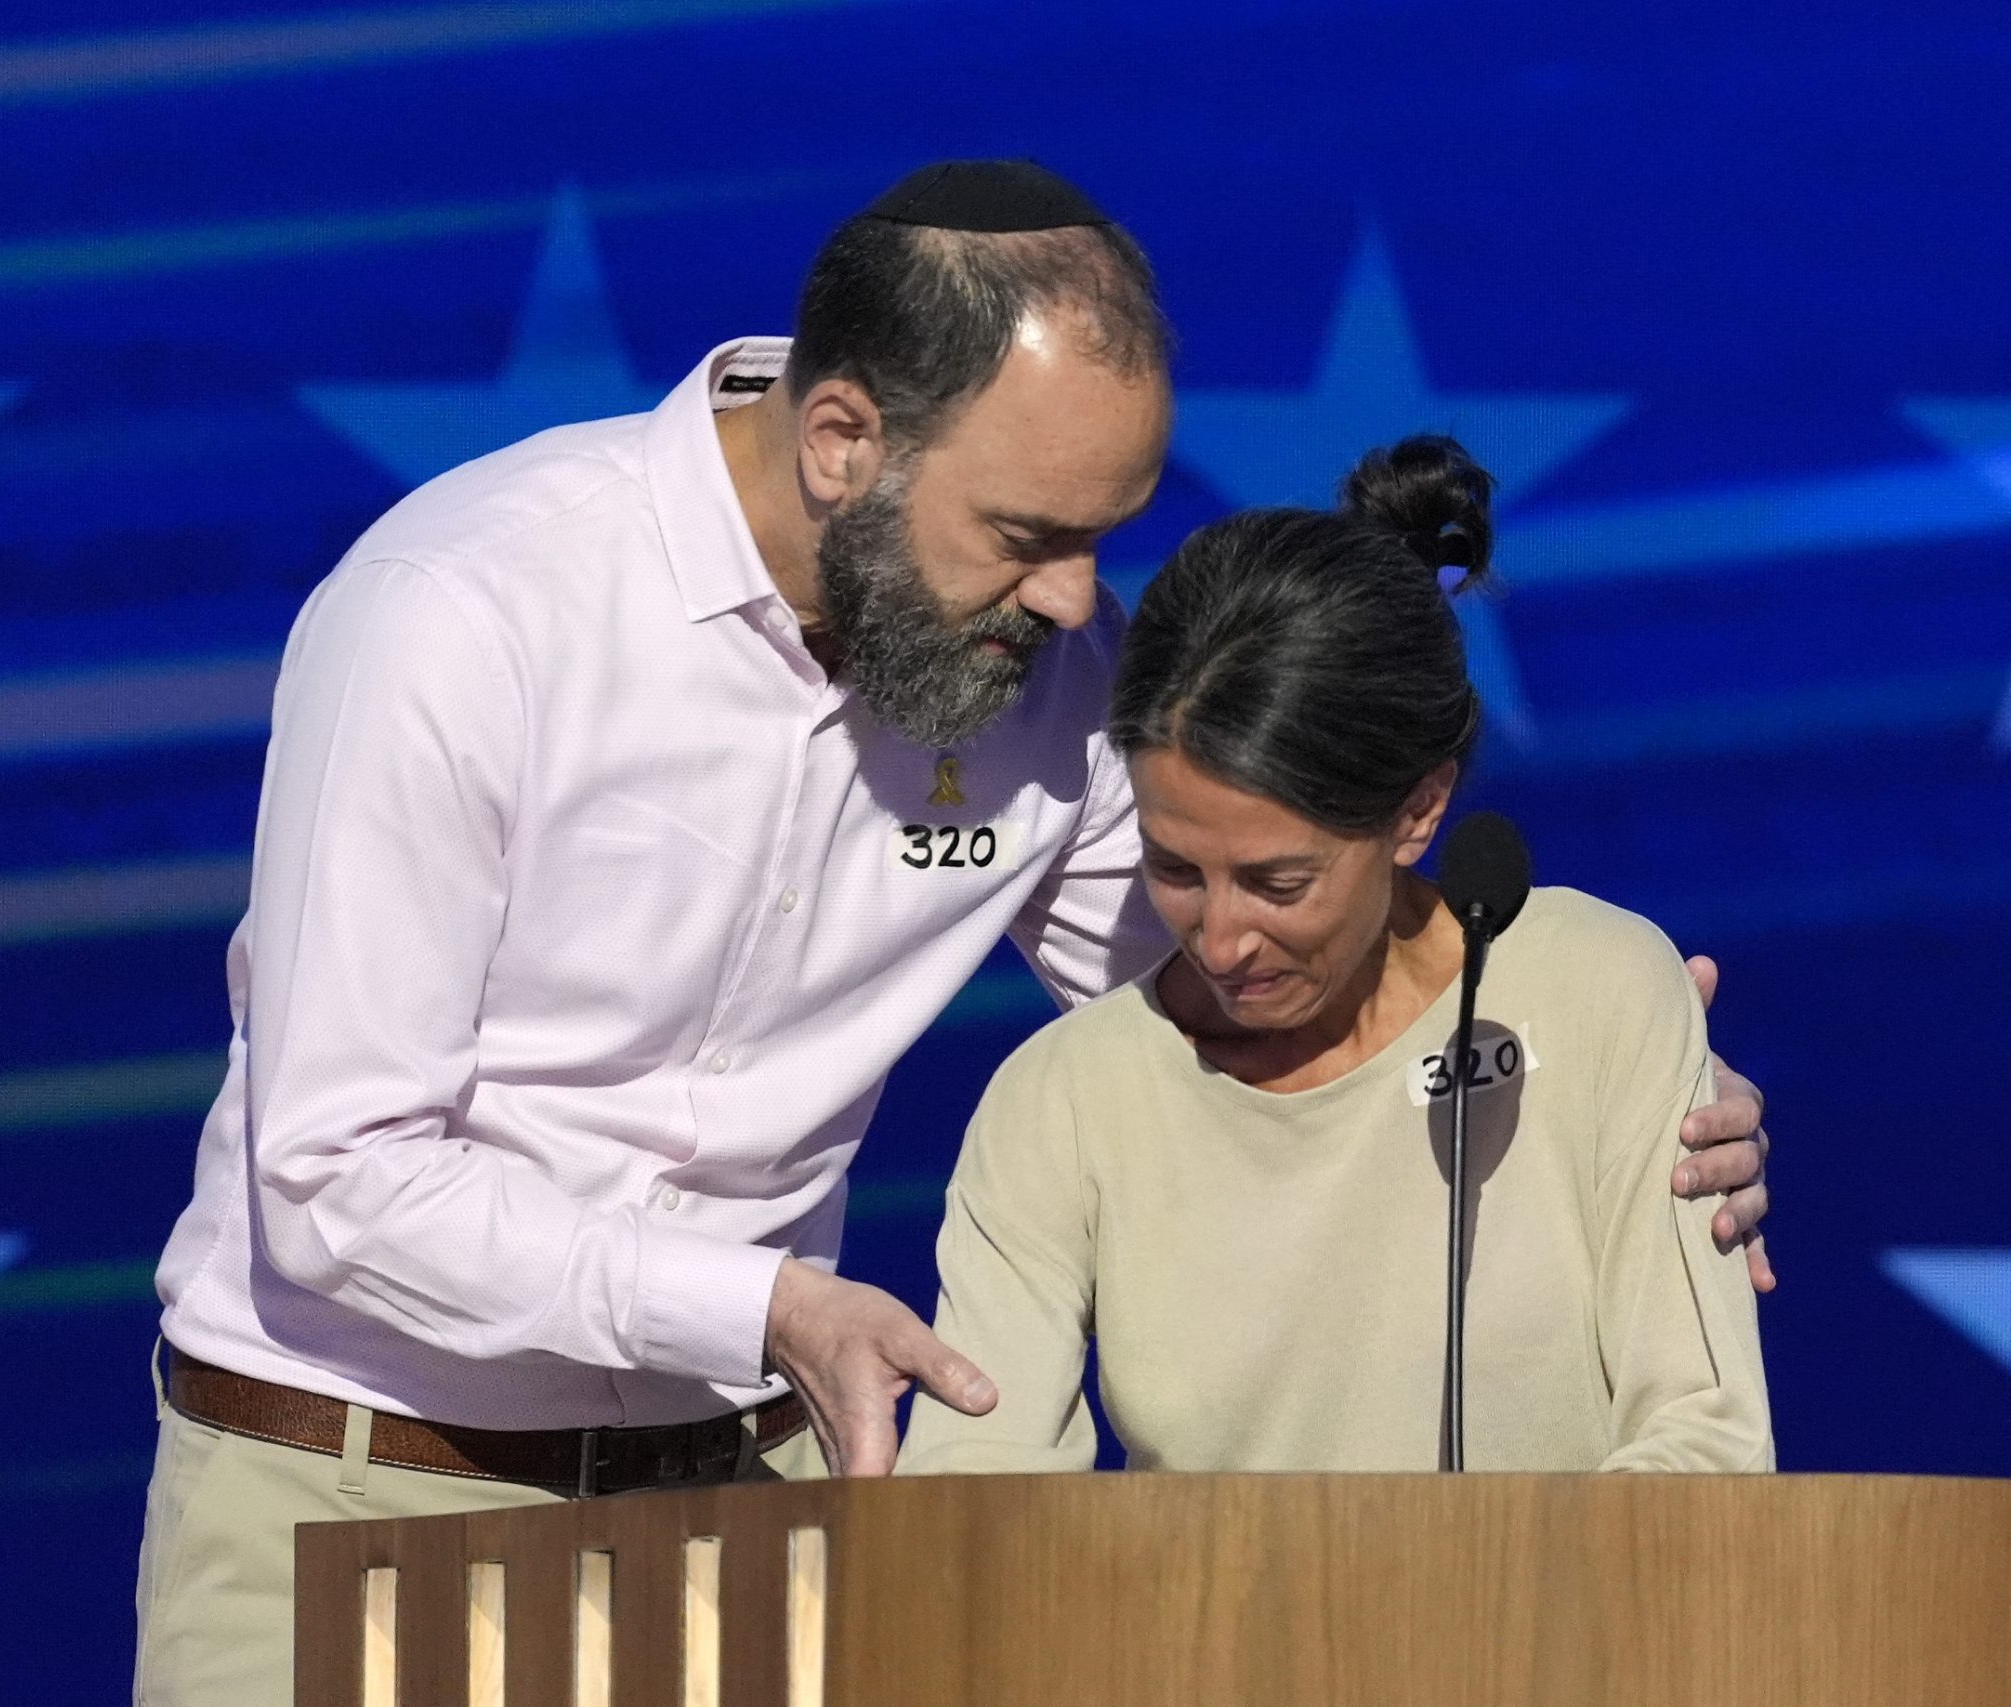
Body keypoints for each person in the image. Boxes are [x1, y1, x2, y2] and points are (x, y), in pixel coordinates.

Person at [133, 163, 1776, 1707]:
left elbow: (1259, 987)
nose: (1075, 605)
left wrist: (1610, 1080)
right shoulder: (461, 616)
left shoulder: (1045, 682)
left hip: (750, 1514)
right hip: (355, 1492)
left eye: (1102, 537)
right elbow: (336, 1176)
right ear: (844, 437)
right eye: (1029, 537)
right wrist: (755, 1304)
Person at [897, 437, 1773, 1476]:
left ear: (1417, 812)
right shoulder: (1062, 1101)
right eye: (1173, 867)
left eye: (1277, 884)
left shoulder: (1596, 992)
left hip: (1559, 1638)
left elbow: (1704, 1447)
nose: (1219, 940)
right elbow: (972, 1512)